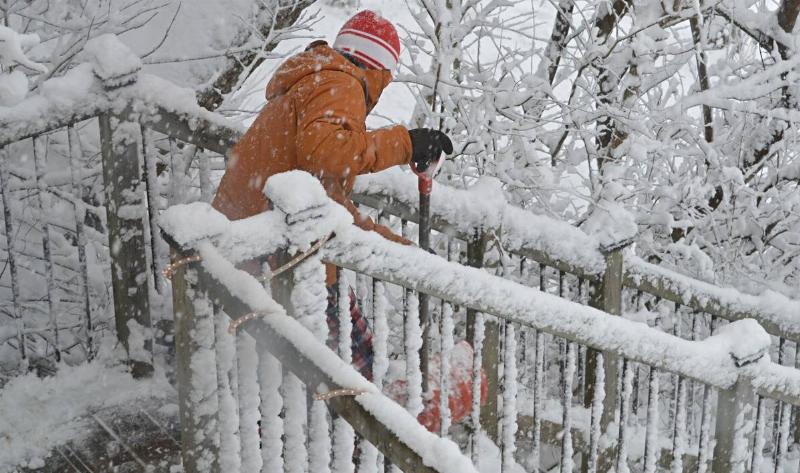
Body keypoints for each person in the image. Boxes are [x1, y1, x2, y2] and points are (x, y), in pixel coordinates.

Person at [212, 10, 453, 379]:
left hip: (251, 242)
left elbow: (328, 199)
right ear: (381, 72)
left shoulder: (318, 80)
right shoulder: (340, 86)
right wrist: (405, 143)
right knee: (351, 370)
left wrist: (401, 249)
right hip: (277, 253)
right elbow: (328, 152)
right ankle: (356, 430)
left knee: (298, 363)